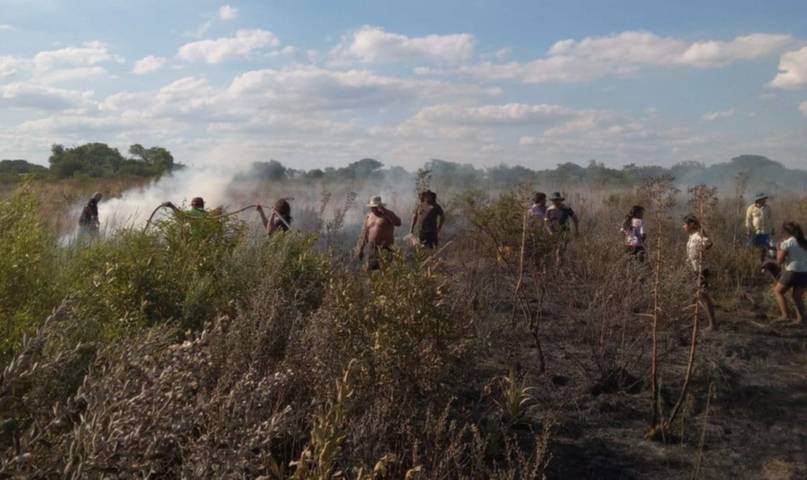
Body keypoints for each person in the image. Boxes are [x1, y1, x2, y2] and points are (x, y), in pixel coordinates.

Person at [683, 214, 717, 331]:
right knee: (695, 296)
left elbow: (708, 243)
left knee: (703, 295)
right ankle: (695, 322)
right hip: (695, 270)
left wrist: (703, 251)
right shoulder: (692, 236)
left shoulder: (698, 236)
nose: (683, 227)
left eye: (685, 224)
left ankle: (713, 324)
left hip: (701, 270)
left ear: (691, 225)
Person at [772, 221, 807, 324]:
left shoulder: (787, 243)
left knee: (778, 291)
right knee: (797, 297)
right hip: (804, 272)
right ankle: (801, 319)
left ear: (786, 232)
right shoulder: (805, 240)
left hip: (792, 271)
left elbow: (779, 261)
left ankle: (785, 315)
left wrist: (778, 249)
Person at [357, 195, 401, 271]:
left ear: (379, 206)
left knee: (386, 269)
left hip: (386, 247)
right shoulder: (369, 216)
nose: (373, 208)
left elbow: (398, 223)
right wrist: (361, 248)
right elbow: (366, 233)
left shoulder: (387, 215)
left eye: (375, 206)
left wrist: (385, 211)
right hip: (373, 247)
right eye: (372, 207)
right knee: (372, 270)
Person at [545, 192, 579, 266]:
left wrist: (576, 230)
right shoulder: (549, 210)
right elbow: (546, 221)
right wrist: (549, 231)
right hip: (553, 233)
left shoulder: (566, 208)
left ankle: (558, 267)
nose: (555, 201)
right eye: (554, 200)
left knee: (559, 250)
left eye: (557, 200)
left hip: (564, 232)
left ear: (560, 200)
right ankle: (559, 265)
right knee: (555, 251)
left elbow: (575, 218)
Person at [745, 193, 773, 265]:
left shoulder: (767, 208)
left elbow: (770, 219)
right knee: (750, 248)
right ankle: (750, 263)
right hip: (754, 232)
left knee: (763, 249)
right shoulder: (751, 208)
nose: (764, 201)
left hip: (765, 231)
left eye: (764, 199)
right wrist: (748, 230)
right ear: (758, 200)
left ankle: (762, 264)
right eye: (763, 199)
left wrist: (772, 228)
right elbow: (748, 220)